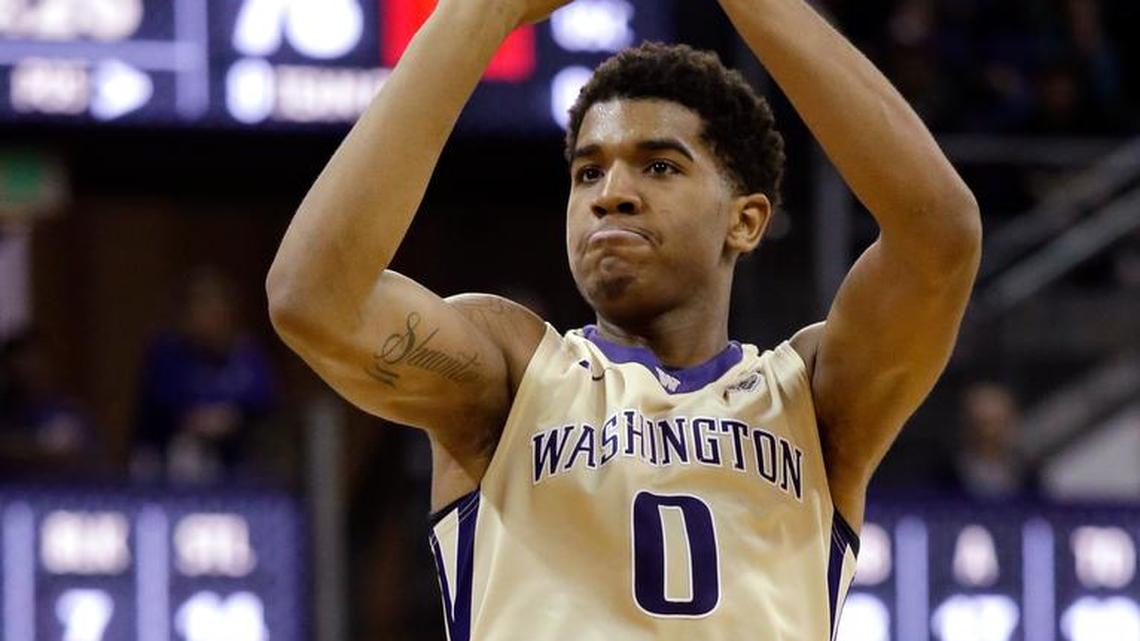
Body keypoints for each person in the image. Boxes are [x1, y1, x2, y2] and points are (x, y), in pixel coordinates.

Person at [266, 0, 981, 637]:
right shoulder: (512, 373)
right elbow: (314, 298)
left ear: (747, 219)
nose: (612, 193)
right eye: (587, 172)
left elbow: (939, 236)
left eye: (659, 166)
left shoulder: (815, 399)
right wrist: (475, 14)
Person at [134, 267, 277, 484]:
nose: (209, 318)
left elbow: (266, 403)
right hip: (169, 458)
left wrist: (230, 418)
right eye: (200, 307)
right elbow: (159, 407)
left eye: (215, 308)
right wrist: (197, 420)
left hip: (237, 458)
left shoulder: (248, 355)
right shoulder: (167, 354)